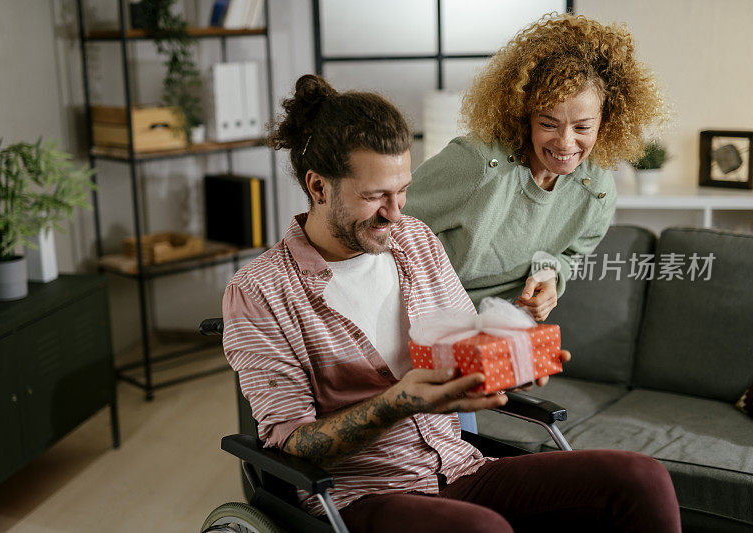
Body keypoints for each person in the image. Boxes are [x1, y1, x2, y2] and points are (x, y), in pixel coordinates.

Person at [221, 74, 680, 532]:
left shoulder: (416, 242)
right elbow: (291, 442)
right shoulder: (260, 292)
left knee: (640, 478)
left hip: (460, 467)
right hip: (360, 495)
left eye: (401, 191)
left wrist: (513, 348)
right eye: (375, 196)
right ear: (318, 188)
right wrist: (397, 402)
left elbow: (463, 347)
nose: (396, 212)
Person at [404, 13, 667, 322]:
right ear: (523, 115)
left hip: (503, 329)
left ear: (605, 123)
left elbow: (569, 255)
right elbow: (389, 224)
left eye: (582, 127)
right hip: (427, 322)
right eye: (548, 124)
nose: (566, 143)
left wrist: (551, 277)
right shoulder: (477, 164)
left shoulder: (596, 191)